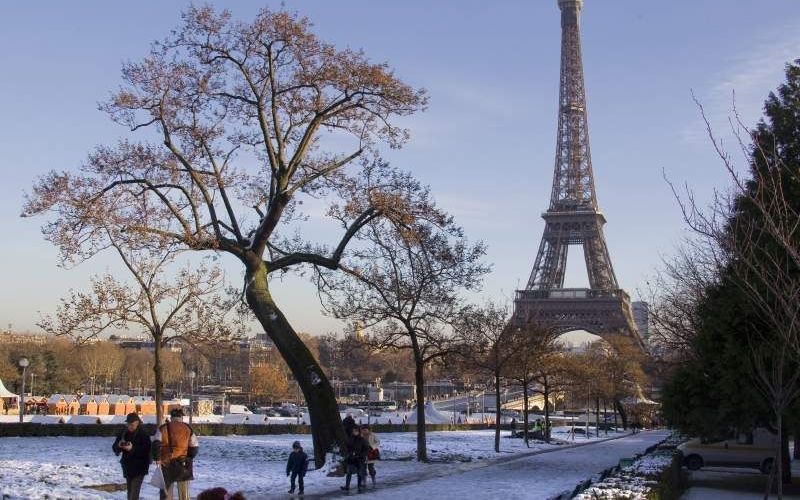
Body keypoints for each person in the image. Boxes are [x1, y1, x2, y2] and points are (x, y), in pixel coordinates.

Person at [152, 408, 199, 500]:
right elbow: (194, 447)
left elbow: (155, 444)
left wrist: (157, 458)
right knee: (183, 493)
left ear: (171, 417)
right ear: (181, 417)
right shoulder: (188, 428)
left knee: (166, 492)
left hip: (166, 463)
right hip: (182, 463)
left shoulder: (163, 428)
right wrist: (188, 457)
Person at [112, 412, 151, 500]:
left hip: (140, 468)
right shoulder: (124, 433)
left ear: (137, 423)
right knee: (130, 492)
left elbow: (147, 450)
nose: (130, 426)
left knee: (134, 492)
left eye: (132, 424)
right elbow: (114, 448)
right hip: (128, 467)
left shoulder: (143, 434)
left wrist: (132, 449)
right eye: (128, 424)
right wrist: (118, 446)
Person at [341, 425, 370, 492]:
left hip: (359, 459)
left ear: (359, 431)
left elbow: (366, 450)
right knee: (349, 472)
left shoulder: (362, 440)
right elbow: (346, 447)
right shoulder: (350, 438)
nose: (355, 432)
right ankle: (347, 486)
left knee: (359, 473)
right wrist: (348, 454)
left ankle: (359, 486)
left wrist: (361, 455)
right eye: (354, 431)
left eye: (356, 431)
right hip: (351, 458)